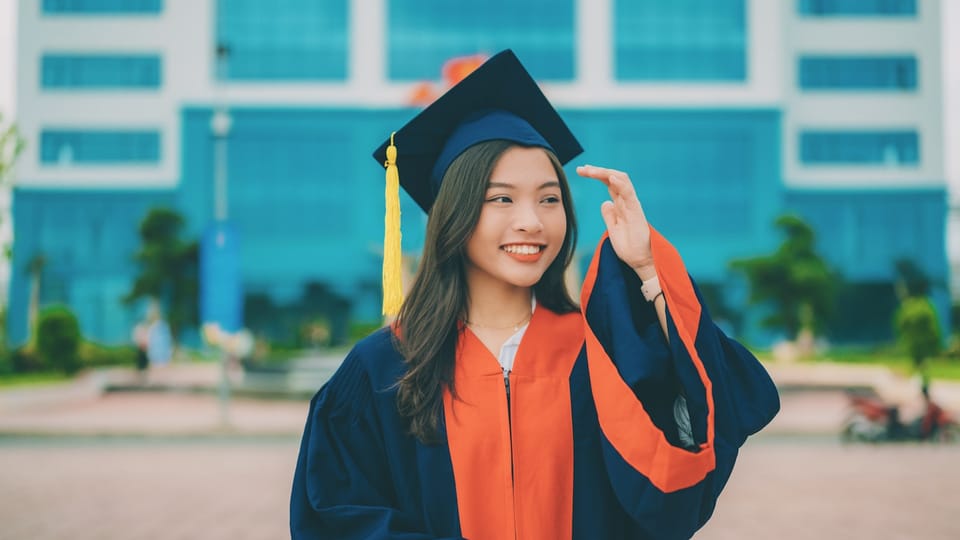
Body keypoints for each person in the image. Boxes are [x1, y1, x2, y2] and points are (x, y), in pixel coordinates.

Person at [290, 50, 780, 540]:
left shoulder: (599, 355)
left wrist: (649, 268)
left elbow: (704, 430)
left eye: (549, 199)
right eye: (501, 198)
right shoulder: (385, 366)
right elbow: (336, 515)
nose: (532, 221)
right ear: (453, 216)